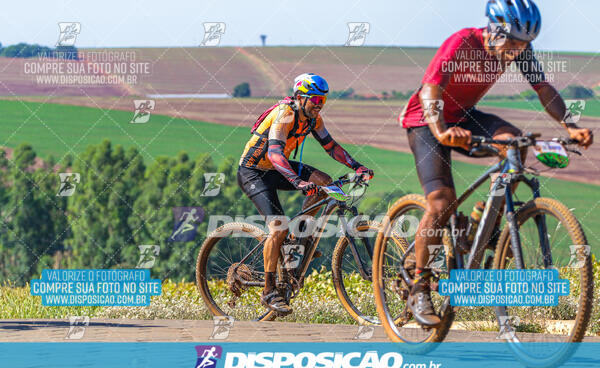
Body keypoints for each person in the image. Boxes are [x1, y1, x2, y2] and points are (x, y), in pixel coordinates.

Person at [399, 0, 593, 327]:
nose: (518, 51)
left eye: (524, 45)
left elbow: (543, 87)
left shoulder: (519, 51)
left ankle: (478, 226)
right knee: (441, 202)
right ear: (494, 29)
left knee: (514, 144)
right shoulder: (462, 42)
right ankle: (420, 286)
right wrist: (441, 130)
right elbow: (431, 88)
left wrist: (570, 125)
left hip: (464, 116)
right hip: (426, 121)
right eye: (513, 42)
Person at [238, 73, 373, 314]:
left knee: (324, 183)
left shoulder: (314, 119)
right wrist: (297, 181)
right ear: (300, 97)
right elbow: (274, 154)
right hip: (254, 171)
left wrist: (357, 166)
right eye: (315, 99)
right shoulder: (285, 114)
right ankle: (269, 291)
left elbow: (331, 147)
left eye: (323, 100)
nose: (319, 104)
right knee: (278, 227)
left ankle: (300, 238)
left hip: (278, 168)